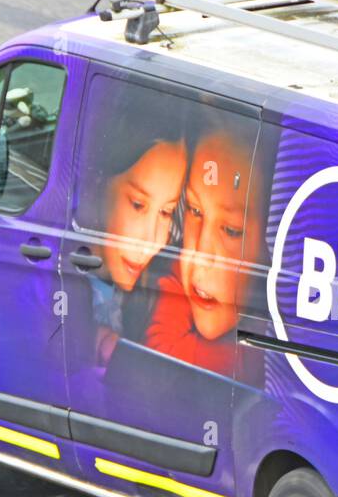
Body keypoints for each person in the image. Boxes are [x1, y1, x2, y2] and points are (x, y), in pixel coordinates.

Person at [146, 123, 264, 377]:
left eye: (232, 230)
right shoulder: (178, 270)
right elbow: (163, 349)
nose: (200, 254)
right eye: (195, 211)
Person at [88, 138, 186, 365]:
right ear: (98, 187)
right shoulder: (50, 284)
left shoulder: (146, 291)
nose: (152, 241)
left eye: (166, 212)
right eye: (137, 205)